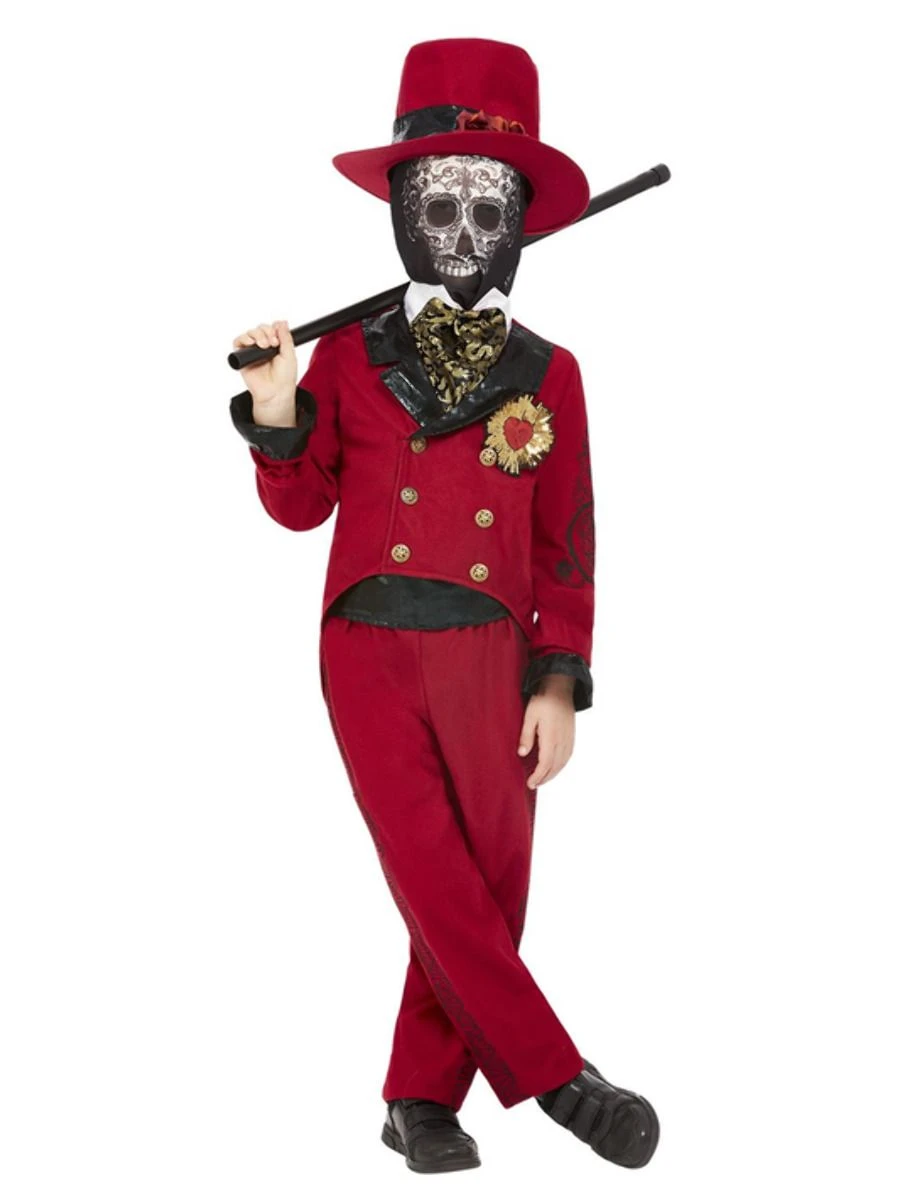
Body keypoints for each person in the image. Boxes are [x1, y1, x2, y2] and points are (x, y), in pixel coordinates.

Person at [228, 37, 659, 1175]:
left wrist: (558, 677)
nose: (461, 232)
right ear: (399, 210)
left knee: (488, 880)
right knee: (428, 865)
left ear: (518, 220)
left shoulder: (553, 373)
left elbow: (569, 542)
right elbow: (298, 510)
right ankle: (559, 1077)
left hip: (493, 652)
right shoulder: (347, 358)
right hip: (367, 642)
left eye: (486, 206)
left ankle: (418, 1097)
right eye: (437, 204)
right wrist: (276, 408)